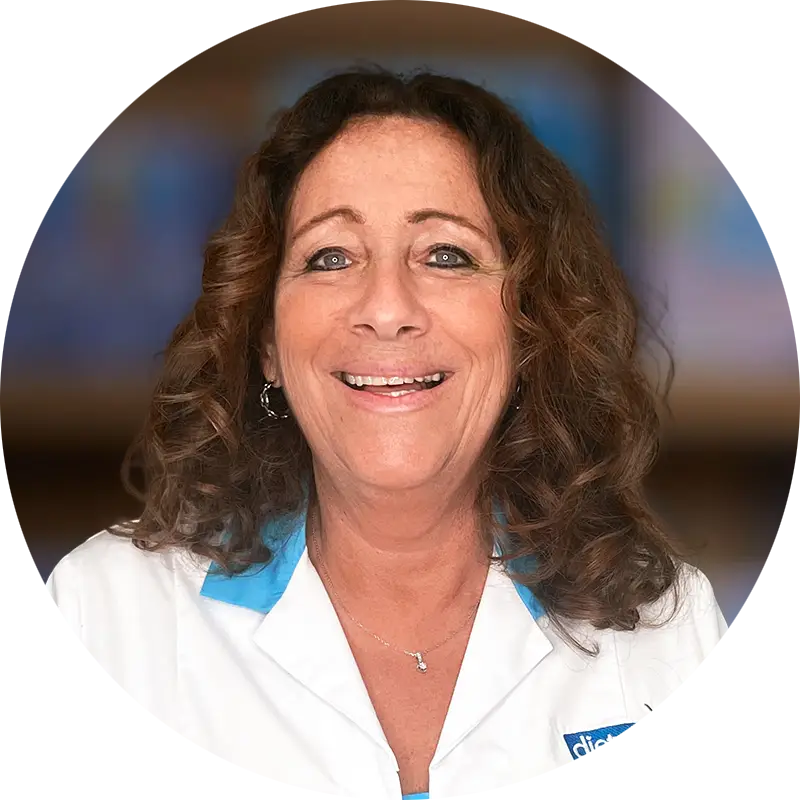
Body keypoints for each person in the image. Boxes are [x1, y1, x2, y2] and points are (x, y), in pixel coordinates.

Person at [45, 66, 727, 798]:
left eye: (446, 255)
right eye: (331, 257)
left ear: (529, 327)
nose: (387, 308)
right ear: (267, 341)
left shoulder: (664, 633)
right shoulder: (109, 615)